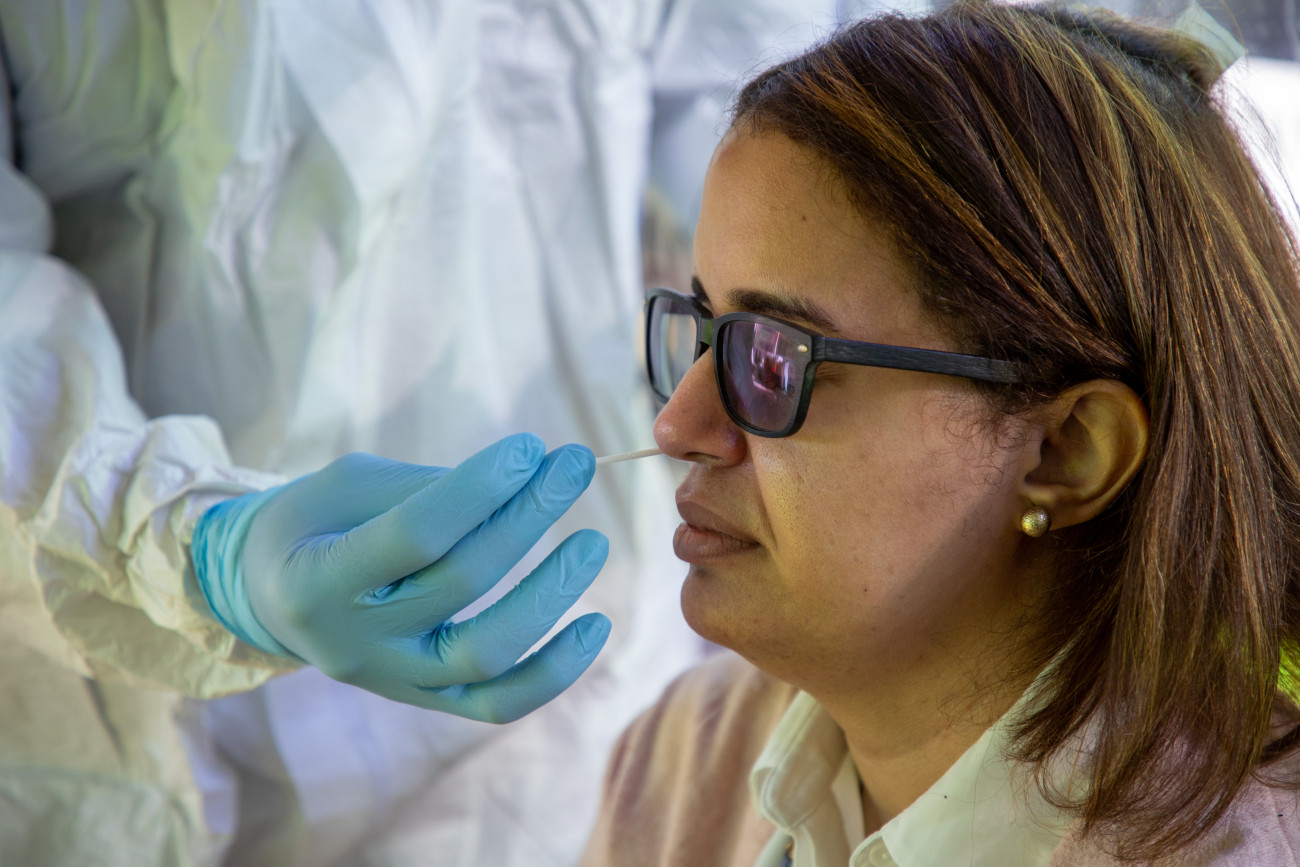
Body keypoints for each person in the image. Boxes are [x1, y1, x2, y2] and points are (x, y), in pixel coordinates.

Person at [0, 2, 849, 864]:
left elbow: (785, 137)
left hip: (583, 703)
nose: (678, 426)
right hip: (147, 692)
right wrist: (196, 546)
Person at [578, 2, 1300, 864]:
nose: (677, 426)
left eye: (773, 356)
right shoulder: (686, 757)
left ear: (1068, 452)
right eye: (704, 329)